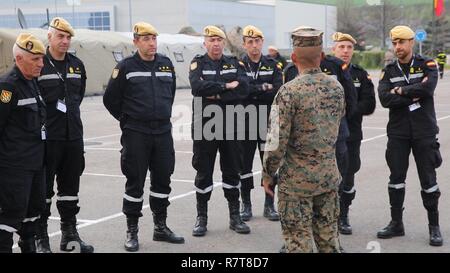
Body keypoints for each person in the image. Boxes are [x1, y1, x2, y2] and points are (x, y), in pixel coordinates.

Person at [262, 26, 345, 253]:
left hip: (296, 184)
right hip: (328, 178)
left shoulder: (289, 92)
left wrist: (268, 174)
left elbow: (276, 141)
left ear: (293, 57)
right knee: (329, 241)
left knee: (298, 243)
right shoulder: (336, 88)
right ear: (322, 56)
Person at [104, 22, 184, 252]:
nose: (151, 43)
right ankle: (132, 230)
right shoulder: (126, 67)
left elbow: (170, 94)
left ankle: (160, 227)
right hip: (136, 133)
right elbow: (110, 99)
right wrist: (127, 120)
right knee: (135, 182)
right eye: (146, 39)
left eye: (154, 38)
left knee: (162, 180)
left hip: (162, 131)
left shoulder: (166, 64)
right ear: (136, 41)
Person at [377, 25, 443, 246]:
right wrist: (412, 95)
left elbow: (427, 90)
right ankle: (397, 223)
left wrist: (401, 91)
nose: (398, 47)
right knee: (396, 180)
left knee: (429, 180)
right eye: (394, 43)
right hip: (398, 133)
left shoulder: (428, 64)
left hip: (424, 131)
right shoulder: (389, 70)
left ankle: (434, 227)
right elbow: (385, 99)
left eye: (401, 42)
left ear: (411, 42)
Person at [36, 17, 93, 253]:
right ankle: (41, 239)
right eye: (60, 36)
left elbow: (77, 96)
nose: (65, 41)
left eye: (68, 37)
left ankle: (70, 236)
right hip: (48, 139)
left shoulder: (77, 65)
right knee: (44, 191)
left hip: (73, 137)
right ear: (49, 37)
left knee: (70, 190)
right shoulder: (40, 64)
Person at [189, 25, 250, 237]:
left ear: (224, 43)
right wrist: (226, 87)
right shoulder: (198, 63)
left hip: (231, 124)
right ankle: (201, 218)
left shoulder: (234, 62)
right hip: (205, 123)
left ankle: (235, 216)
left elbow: (244, 88)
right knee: (203, 170)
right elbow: (197, 88)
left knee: (232, 169)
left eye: (219, 40)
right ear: (204, 43)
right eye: (211, 40)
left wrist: (214, 92)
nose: (215, 44)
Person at [0, 33, 46, 253]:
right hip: (14, 167)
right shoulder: (7, 87)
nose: (41, 64)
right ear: (19, 59)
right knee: (10, 216)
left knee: (33, 213)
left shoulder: (33, 83)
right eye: (35, 59)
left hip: (35, 163)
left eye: (42, 59)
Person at [331, 32, 376, 235]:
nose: (345, 51)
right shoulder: (325, 71)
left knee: (348, 174)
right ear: (334, 49)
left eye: (349, 47)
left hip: (351, 134)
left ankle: (343, 215)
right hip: (327, 135)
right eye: (341, 47)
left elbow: (369, 104)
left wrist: (346, 110)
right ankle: (324, 217)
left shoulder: (360, 74)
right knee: (326, 176)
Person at [239, 25, 283, 222]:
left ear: (262, 43)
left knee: (269, 165)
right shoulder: (238, 65)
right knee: (244, 166)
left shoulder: (273, 65)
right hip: (245, 122)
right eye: (250, 42)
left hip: (268, 122)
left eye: (257, 41)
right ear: (244, 44)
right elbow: (240, 91)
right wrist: (262, 88)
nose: (254, 45)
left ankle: (269, 204)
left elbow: (277, 91)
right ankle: (246, 205)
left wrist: (252, 90)